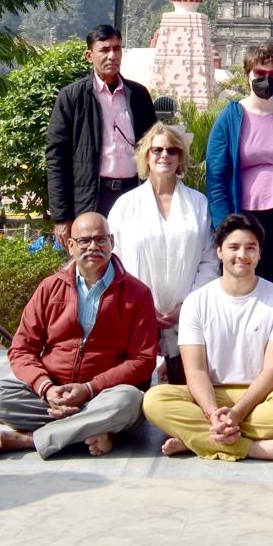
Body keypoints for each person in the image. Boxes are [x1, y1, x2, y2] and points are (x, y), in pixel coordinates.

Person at [0, 212, 157, 459]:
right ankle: (94, 429)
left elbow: (143, 360)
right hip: (53, 395)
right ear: (71, 245)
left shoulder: (137, 293)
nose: (93, 247)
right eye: (84, 241)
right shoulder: (50, 288)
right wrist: (47, 389)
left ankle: (32, 440)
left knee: (128, 401)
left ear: (112, 242)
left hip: (103, 396)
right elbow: (21, 350)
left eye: (100, 239)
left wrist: (89, 388)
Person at [142, 212, 273, 461]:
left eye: (250, 248)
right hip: (207, 396)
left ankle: (197, 440)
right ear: (219, 251)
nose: (242, 255)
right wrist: (213, 413)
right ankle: (249, 447)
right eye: (233, 247)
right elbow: (196, 372)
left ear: (260, 253)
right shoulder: (196, 301)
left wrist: (237, 413)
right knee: (154, 400)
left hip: (259, 397)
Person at [109, 122, 218, 384]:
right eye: (157, 150)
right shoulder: (126, 205)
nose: (164, 156)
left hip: (188, 318)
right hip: (137, 315)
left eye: (172, 150)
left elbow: (209, 260)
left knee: (187, 394)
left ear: (180, 156)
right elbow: (114, 260)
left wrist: (187, 307)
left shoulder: (198, 203)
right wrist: (143, 307)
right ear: (146, 156)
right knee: (136, 398)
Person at [205, 41, 273, 304]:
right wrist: (225, 226)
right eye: (260, 74)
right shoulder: (230, 117)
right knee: (245, 292)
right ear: (248, 73)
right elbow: (216, 178)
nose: (266, 80)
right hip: (245, 220)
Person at [46, 24, 156, 246]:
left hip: (133, 194)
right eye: (104, 50)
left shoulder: (138, 95)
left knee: (132, 263)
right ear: (90, 55)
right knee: (90, 262)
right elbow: (56, 158)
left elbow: (153, 148)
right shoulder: (72, 97)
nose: (112, 56)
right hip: (92, 197)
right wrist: (62, 216)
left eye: (117, 49)